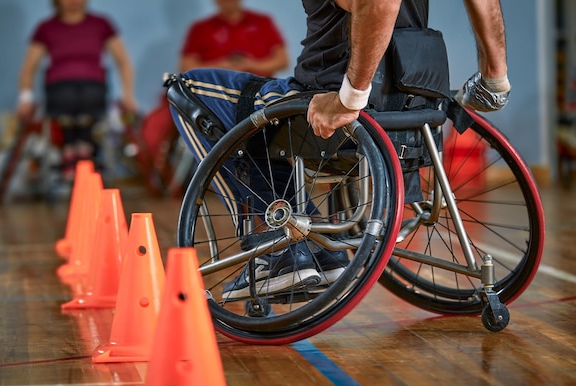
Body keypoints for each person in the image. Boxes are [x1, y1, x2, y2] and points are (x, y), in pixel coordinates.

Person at [167, 0, 511, 298]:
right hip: (414, 108)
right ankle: (314, 250)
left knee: (186, 89)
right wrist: (494, 78)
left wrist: (350, 98)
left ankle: (282, 245)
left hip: (331, 107)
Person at [16, 0, 137, 181]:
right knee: (68, 97)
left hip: (93, 91)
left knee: (88, 97)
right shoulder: (46, 28)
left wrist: (128, 96)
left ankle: (81, 150)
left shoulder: (101, 24)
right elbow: (29, 67)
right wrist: (25, 99)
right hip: (59, 92)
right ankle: (74, 150)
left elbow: (123, 62)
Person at [179, 0, 289, 77]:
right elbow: (186, 67)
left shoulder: (263, 22)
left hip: (259, 90)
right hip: (216, 91)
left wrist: (252, 65)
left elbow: (282, 60)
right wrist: (219, 66)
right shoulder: (200, 28)